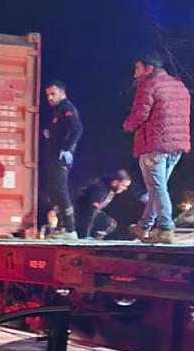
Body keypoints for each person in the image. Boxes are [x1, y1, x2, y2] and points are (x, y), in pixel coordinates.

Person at [123, 51, 191, 244]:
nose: (135, 75)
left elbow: (140, 114)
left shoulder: (148, 85)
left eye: (138, 69)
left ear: (149, 69)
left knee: (157, 188)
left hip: (154, 144)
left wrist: (127, 125)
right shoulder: (179, 86)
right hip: (176, 146)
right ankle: (144, 225)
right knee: (157, 188)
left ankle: (166, 227)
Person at [41, 80, 83, 234]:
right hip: (54, 156)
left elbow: (77, 129)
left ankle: (70, 230)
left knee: (60, 191)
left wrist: (66, 149)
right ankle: (62, 227)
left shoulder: (67, 108)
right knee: (54, 191)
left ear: (62, 93)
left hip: (61, 158)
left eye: (53, 94)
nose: (50, 98)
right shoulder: (58, 110)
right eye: (48, 95)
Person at [74, 170, 133, 240]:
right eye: (124, 185)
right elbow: (89, 212)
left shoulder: (109, 190)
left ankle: (92, 238)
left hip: (87, 215)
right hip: (79, 215)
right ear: (115, 182)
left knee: (110, 223)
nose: (125, 188)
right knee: (107, 223)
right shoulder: (100, 191)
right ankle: (85, 237)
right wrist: (84, 235)